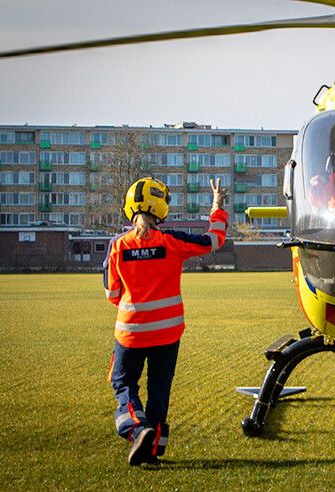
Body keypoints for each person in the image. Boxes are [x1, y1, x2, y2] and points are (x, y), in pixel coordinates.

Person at [103, 176, 228, 466]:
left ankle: (137, 429)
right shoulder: (172, 241)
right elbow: (214, 241)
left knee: (123, 384)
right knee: (159, 389)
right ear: (161, 208)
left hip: (131, 332)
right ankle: (154, 449)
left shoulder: (118, 245)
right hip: (168, 333)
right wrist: (216, 206)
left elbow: (112, 293)